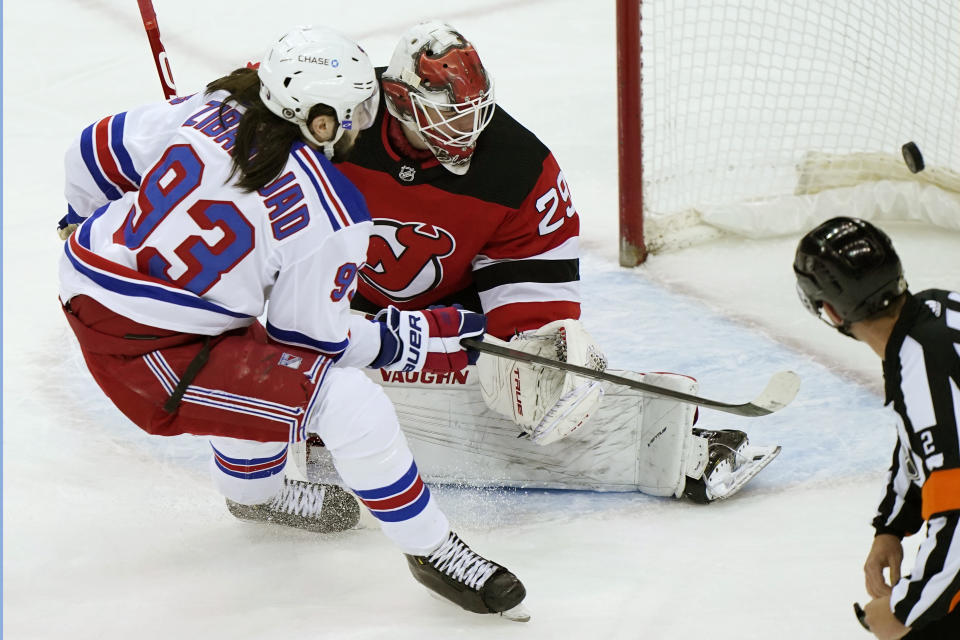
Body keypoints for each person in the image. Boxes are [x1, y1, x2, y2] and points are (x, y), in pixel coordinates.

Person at [57, 25, 529, 622]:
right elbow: (312, 346)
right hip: (151, 358)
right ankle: (433, 549)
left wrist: (75, 216)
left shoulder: (212, 106)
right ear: (321, 116)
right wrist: (417, 339)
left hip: (88, 278)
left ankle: (255, 494)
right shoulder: (330, 212)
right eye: (356, 107)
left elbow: (93, 147)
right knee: (344, 400)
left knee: (252, 365)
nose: (364, 119)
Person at [326, 19, 779, 502]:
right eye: (448, 116)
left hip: (446, 319)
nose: (467, 130)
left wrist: (533, 357)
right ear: (399, 99)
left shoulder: (520, 170)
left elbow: (532, 301)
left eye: (472, 113)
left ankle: (666, 446)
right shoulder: (334, 112)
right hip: (329, 298)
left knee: (529, 375)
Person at [794, 216, 960, 639]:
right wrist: (891, 525)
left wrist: (907, 611)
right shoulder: (937, 312)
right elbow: (925, 442)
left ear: (828, 311)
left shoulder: (924, 368)